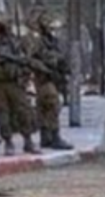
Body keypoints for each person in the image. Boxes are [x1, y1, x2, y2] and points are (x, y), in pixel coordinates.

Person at [27, 11, 72, 150]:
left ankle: (46, 137)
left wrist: (65, 68)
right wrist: (44, 68)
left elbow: (60, 57)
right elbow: (29, 59)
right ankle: (54, 136)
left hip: (53, 76)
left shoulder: (51, 40)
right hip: (43, 77)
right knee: (52, 104)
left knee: (46, 107)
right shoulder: (36, 40)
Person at [0, 18, 40, 156]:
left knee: (24, 111)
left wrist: (24, 74)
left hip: (14, 82)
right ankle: (8, 142)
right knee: (3, 114)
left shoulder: (13, 42)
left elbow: (23, 59)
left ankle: (28, 140)